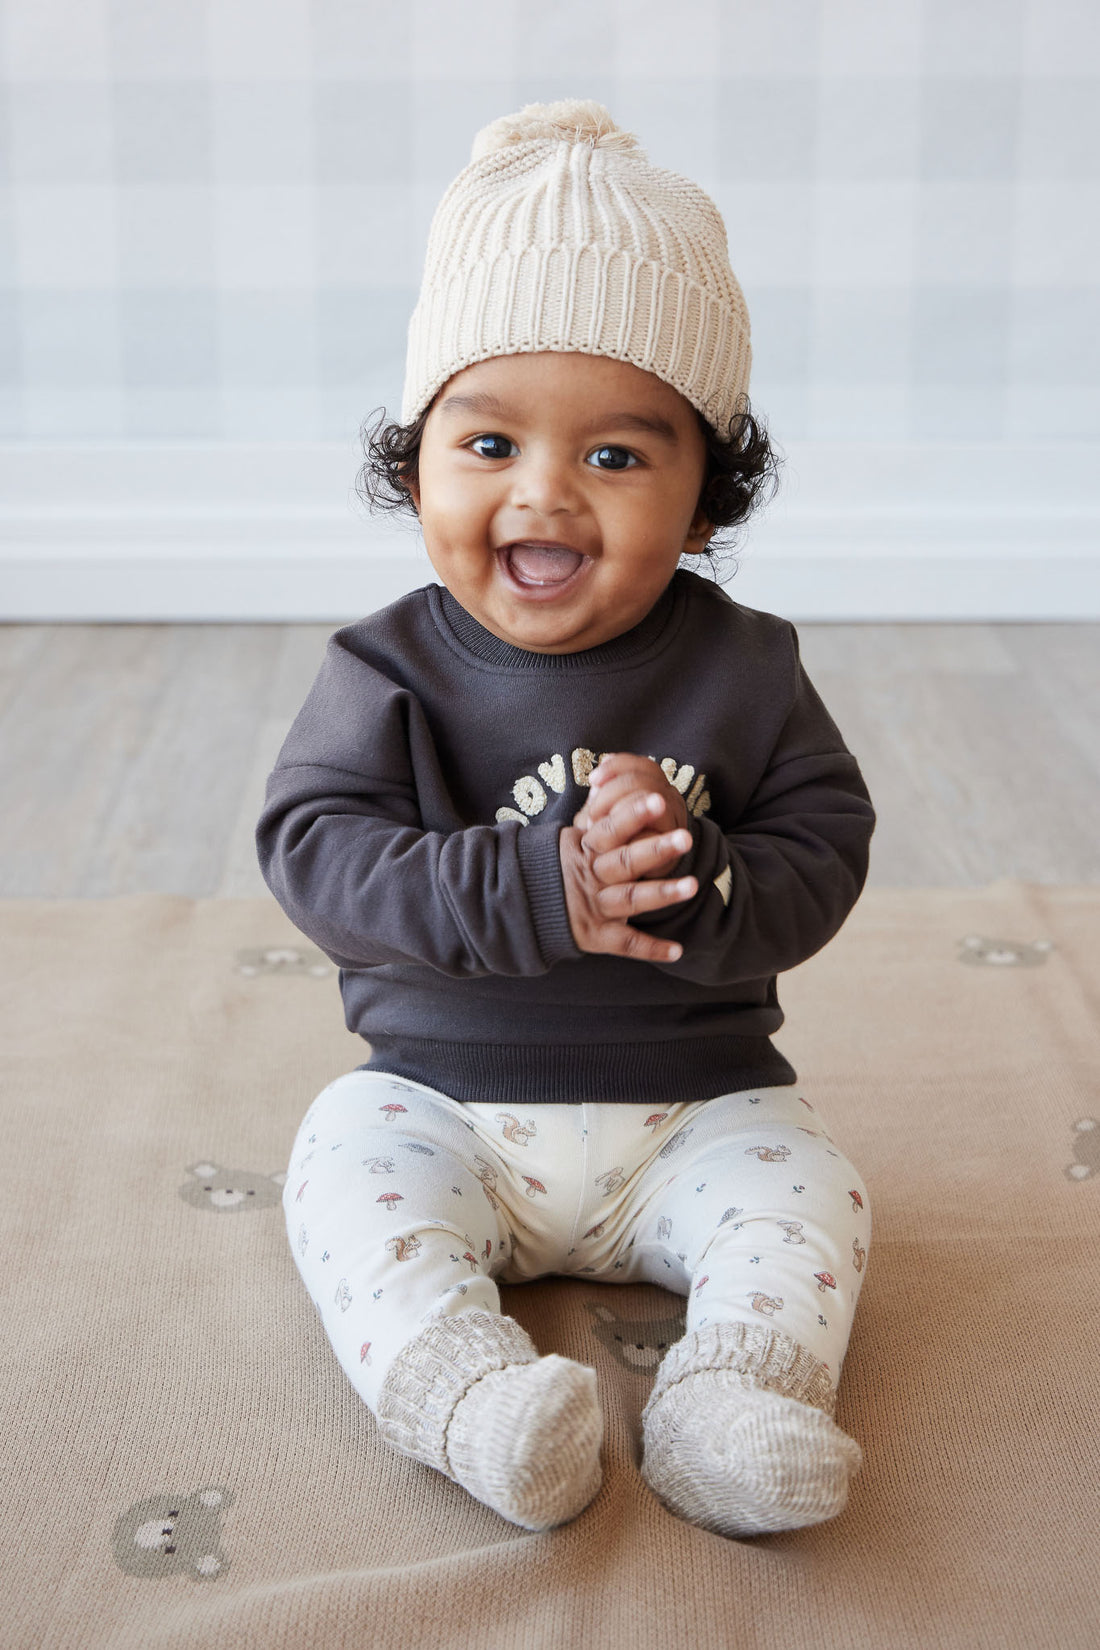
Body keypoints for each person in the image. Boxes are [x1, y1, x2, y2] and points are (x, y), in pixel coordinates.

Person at [257, 100, 875, 1539]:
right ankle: (472, 1398)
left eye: (616, 456)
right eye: (488, 441)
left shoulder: (747, 668)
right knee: (337, 1168)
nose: (544, 490)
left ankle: (732, 1397)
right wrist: (538, 890)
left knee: (813, 1192)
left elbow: (825, 849)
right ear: (414, 467)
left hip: (697, 1105)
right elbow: (315, 849)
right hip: (440, 1099)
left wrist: (691, 872)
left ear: (707, 501)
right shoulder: (384, 671)